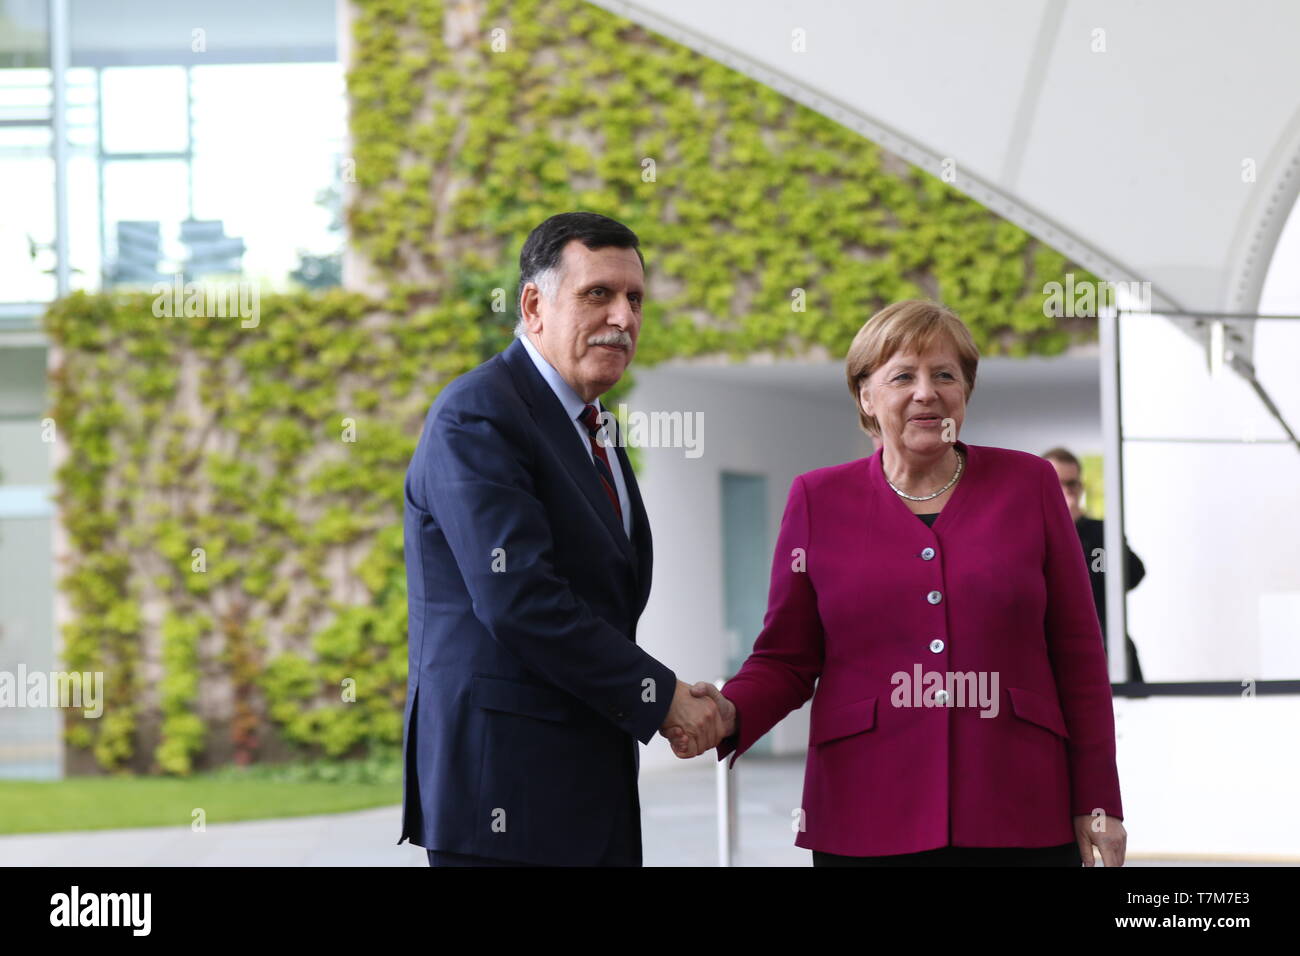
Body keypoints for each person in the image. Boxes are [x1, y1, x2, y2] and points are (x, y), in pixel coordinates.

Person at [668, 300, 1127, 867]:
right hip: (866, 810)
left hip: (1020, 805)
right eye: (902, 376)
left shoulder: (1029, 483)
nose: (926, 392)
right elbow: (787, 657)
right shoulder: (817, 499)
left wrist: (1100, 801)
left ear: (965, 392)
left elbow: (1078, 655)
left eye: (945, 375)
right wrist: (727, 712)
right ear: (866, 396)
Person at [397, 212, 727, 866]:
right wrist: (659, 699)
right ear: (533, 305)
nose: (624, 316)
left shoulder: (593, 426)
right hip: (506, 799)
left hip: (589, 787)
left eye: (635, 298)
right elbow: (518, 597)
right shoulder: (478, 415)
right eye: (597, 293)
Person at [1040, 447, 1147, 684]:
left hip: (1103, 647)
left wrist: (1075, 524)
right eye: (1058, 483)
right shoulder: (1027, 533)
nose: (1067, 491)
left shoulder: (1101, 533)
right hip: (1047, 654)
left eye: (1072, 484)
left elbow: (1133, 574)